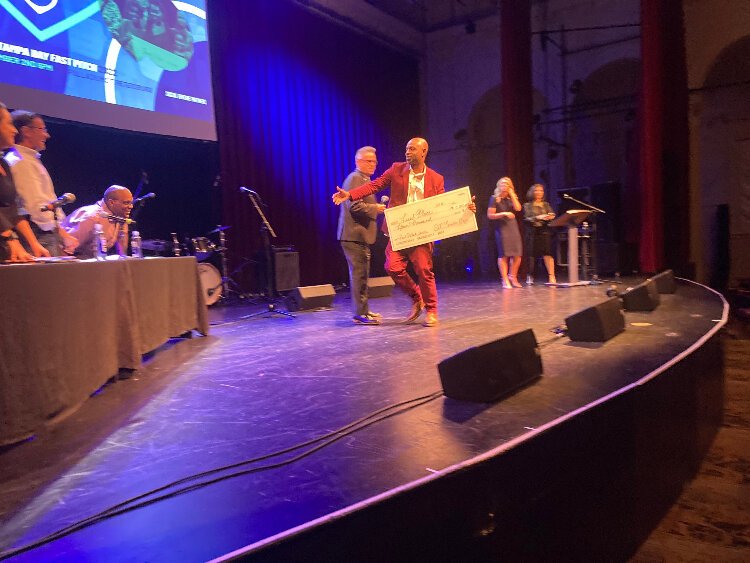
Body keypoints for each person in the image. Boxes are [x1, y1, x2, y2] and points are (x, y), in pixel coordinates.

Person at [333, 137, 476, 327]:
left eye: (412, 149)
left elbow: (444, 204)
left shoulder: (436, 178)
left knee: (424, 270)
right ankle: (417, 297)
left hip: (423, 231)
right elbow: (374, 185)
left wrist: (464, 208)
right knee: (392, 267)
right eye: (406, 149)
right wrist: (350, 194)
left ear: (424, 152)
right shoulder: (396, 169)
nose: (407, 152)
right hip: (400, 230)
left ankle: (431, 310)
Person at [7, 111, 79, 257]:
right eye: (42, 129)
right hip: (38, 235)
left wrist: (62, 234)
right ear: (26, 132)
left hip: (43, 234)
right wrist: (61, 234)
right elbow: (36, 207)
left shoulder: (29, 159)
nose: (47, 135)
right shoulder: (20, 161)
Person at [337, 146, 386, 325]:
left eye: (374, 161)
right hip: (353, 235)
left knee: (363, 274)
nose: (373, 164)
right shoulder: (355, 178)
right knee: (359, 275)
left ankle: (364, 310)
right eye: (369, 161)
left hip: (360, 236)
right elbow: (354, 206)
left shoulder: (365, 179)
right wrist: (376, 209)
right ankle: (360, 314)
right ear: (358, 162)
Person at [0, 102, 35, 263]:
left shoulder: (5, 164)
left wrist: (30, 243)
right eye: (8, 124)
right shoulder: (14, 159)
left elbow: (13, 209)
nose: (14, 130)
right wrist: (9, 239)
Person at [63, 185, 133, 258]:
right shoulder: (91, 217)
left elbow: (122, 255)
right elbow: (65, 248)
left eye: (131, 203)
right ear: (111, 202)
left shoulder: (120, 216)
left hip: (91, 263)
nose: (131, 206)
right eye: (126, 203)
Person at [487, 177, 523, 289]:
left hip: (513, 227)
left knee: (517, 254)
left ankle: (513, 277)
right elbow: (490, 215)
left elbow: (518, 208)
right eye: (502, 183)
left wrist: (512, 195)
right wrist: (504, 214)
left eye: (507, 184)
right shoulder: (494, 198)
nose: (504, 185)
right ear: (499, 185)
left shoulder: (511, 198)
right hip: (502, 228)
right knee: (504, 254)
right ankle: (504, 279)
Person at [523, 183, 556, 285]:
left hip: (544, 232)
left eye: (541, 190)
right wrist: (538, 217)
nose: (539, 192)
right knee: (531, 255)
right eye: (536, 190)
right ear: (532, 192)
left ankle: (551, 276)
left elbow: (552, 214)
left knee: (548, 254)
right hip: (532, 233)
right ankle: (530, 276)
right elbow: (526, 218)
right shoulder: (527, 205)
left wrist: (551, 216)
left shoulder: (546, 204)